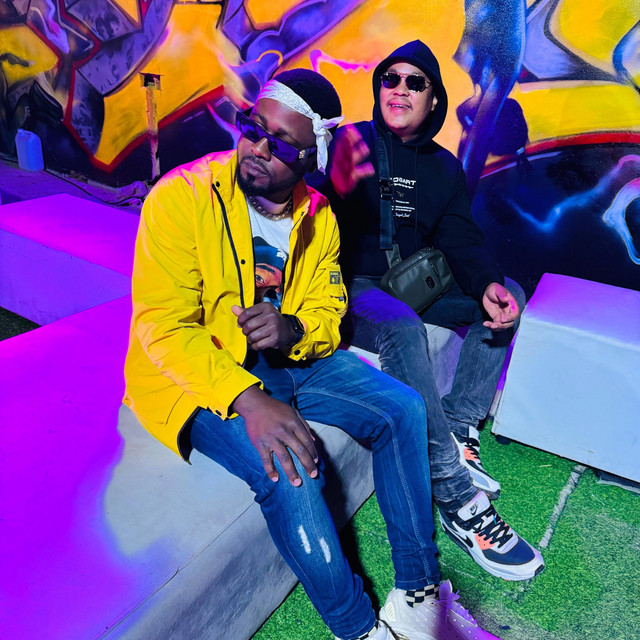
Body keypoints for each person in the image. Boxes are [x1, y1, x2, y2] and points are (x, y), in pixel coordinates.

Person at [123, 69, 499, 640]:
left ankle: (417, 594)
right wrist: (248, 399)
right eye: (254, 129)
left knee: (404, 407)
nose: (257, 149)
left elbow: (328, 309)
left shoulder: (319, 217)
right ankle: (359, 630)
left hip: (289, 359)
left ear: (310, 159)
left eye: (281, 145)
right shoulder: (181, 197)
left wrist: (292, 329)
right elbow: (164, 327)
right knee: (290, 470)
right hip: (203, 372)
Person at [310, 40, 544, 581]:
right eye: (390, 79)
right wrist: (329, 185)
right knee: (401, 325)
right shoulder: (349, 142)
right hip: (357, 286)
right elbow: (302, 201)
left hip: (416, 281)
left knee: (507, 289)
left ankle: (459, 425)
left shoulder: (444, 167)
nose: (399, 90)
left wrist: (486, 282)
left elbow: (461, 238)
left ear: (434, 98)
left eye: (415, 82)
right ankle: (453, 492)